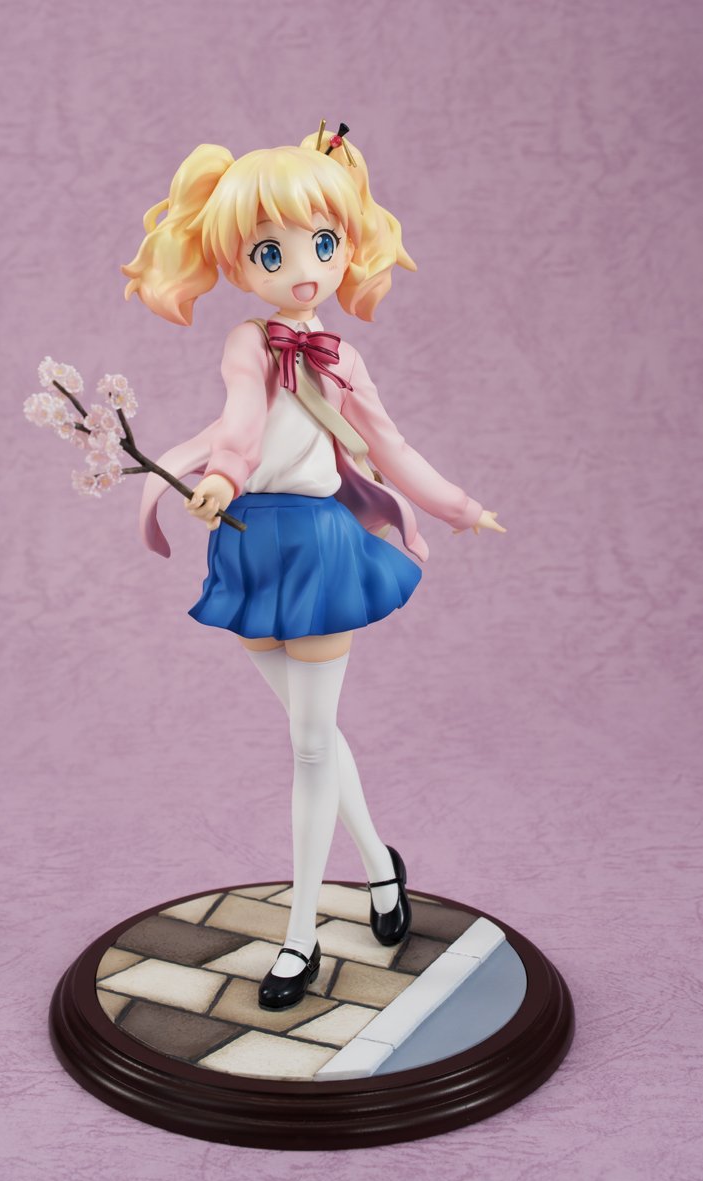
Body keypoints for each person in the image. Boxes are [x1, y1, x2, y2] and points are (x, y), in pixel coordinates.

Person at [121, 128, 505, 1010]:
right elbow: (240, 420)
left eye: (323, 244)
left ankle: (298, 937)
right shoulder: (248, 342)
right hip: (248, 543)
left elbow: (388, 446)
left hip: (321, 549)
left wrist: (456, 506)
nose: (304, 269)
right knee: (315, 734)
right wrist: (220, 479)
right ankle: (380, 867)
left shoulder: (342, 357)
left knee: (306, 743)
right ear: (235, 261)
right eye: (272, 252)